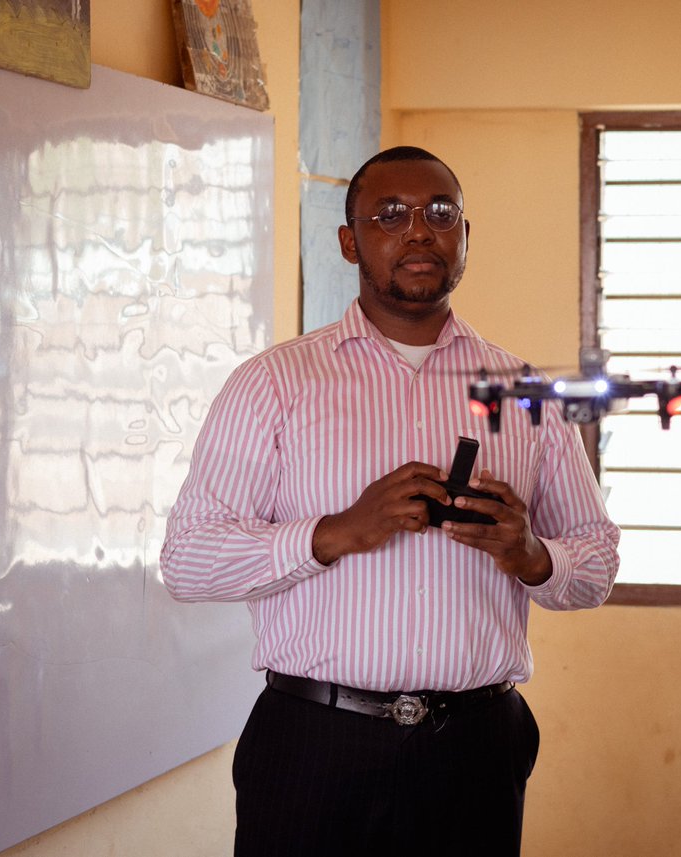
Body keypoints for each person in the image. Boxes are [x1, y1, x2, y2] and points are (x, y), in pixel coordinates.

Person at [160, 146, 619, 856]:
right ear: (350, 241)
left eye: (441, 214)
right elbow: (188, 562)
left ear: (466, 236)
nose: (419, 231)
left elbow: (597, 565)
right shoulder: (273, 384)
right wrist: (336, 531)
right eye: (390, 215)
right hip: (313, 742)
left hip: (475, 749)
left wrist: (530, 554)